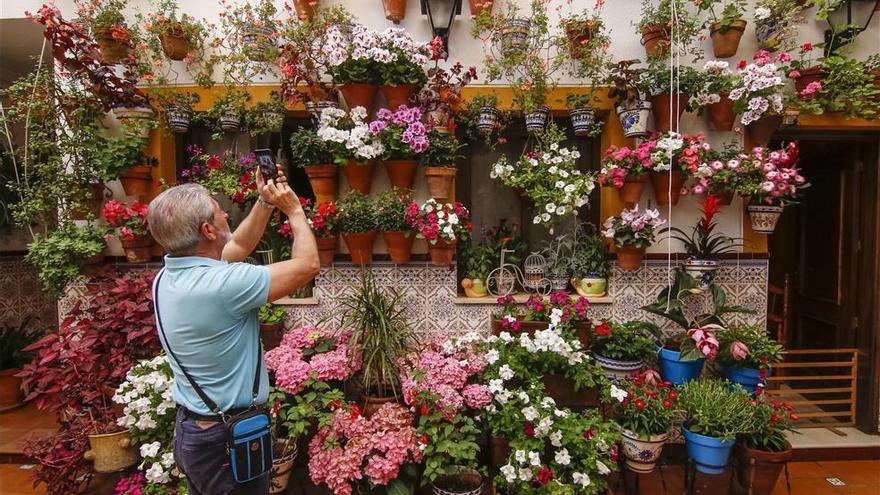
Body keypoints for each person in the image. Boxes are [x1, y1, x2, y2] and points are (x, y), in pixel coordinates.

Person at [147, 165, 319, 495]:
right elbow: (307, 265)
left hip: (195, 431)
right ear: (208, 231)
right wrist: (294, 210)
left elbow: (237, 246)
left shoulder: (167, 277)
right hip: (224, 441)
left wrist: (265, 203)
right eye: (219, 211)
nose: (226, 213)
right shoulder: (222, 286)